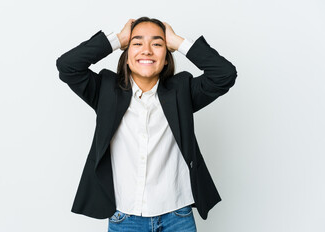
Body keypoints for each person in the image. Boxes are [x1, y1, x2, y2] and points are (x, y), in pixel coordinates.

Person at [56, 16, 237, 232]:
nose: (147, 50)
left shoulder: (182, 92)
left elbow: (224, 74)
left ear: (167, 57)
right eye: (137, 43)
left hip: (177, 215)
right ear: (126, 55)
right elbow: (67, 66)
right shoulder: (106, 91)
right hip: (124, 218)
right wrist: (117, 39)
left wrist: (178, 42)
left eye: (157, 44)